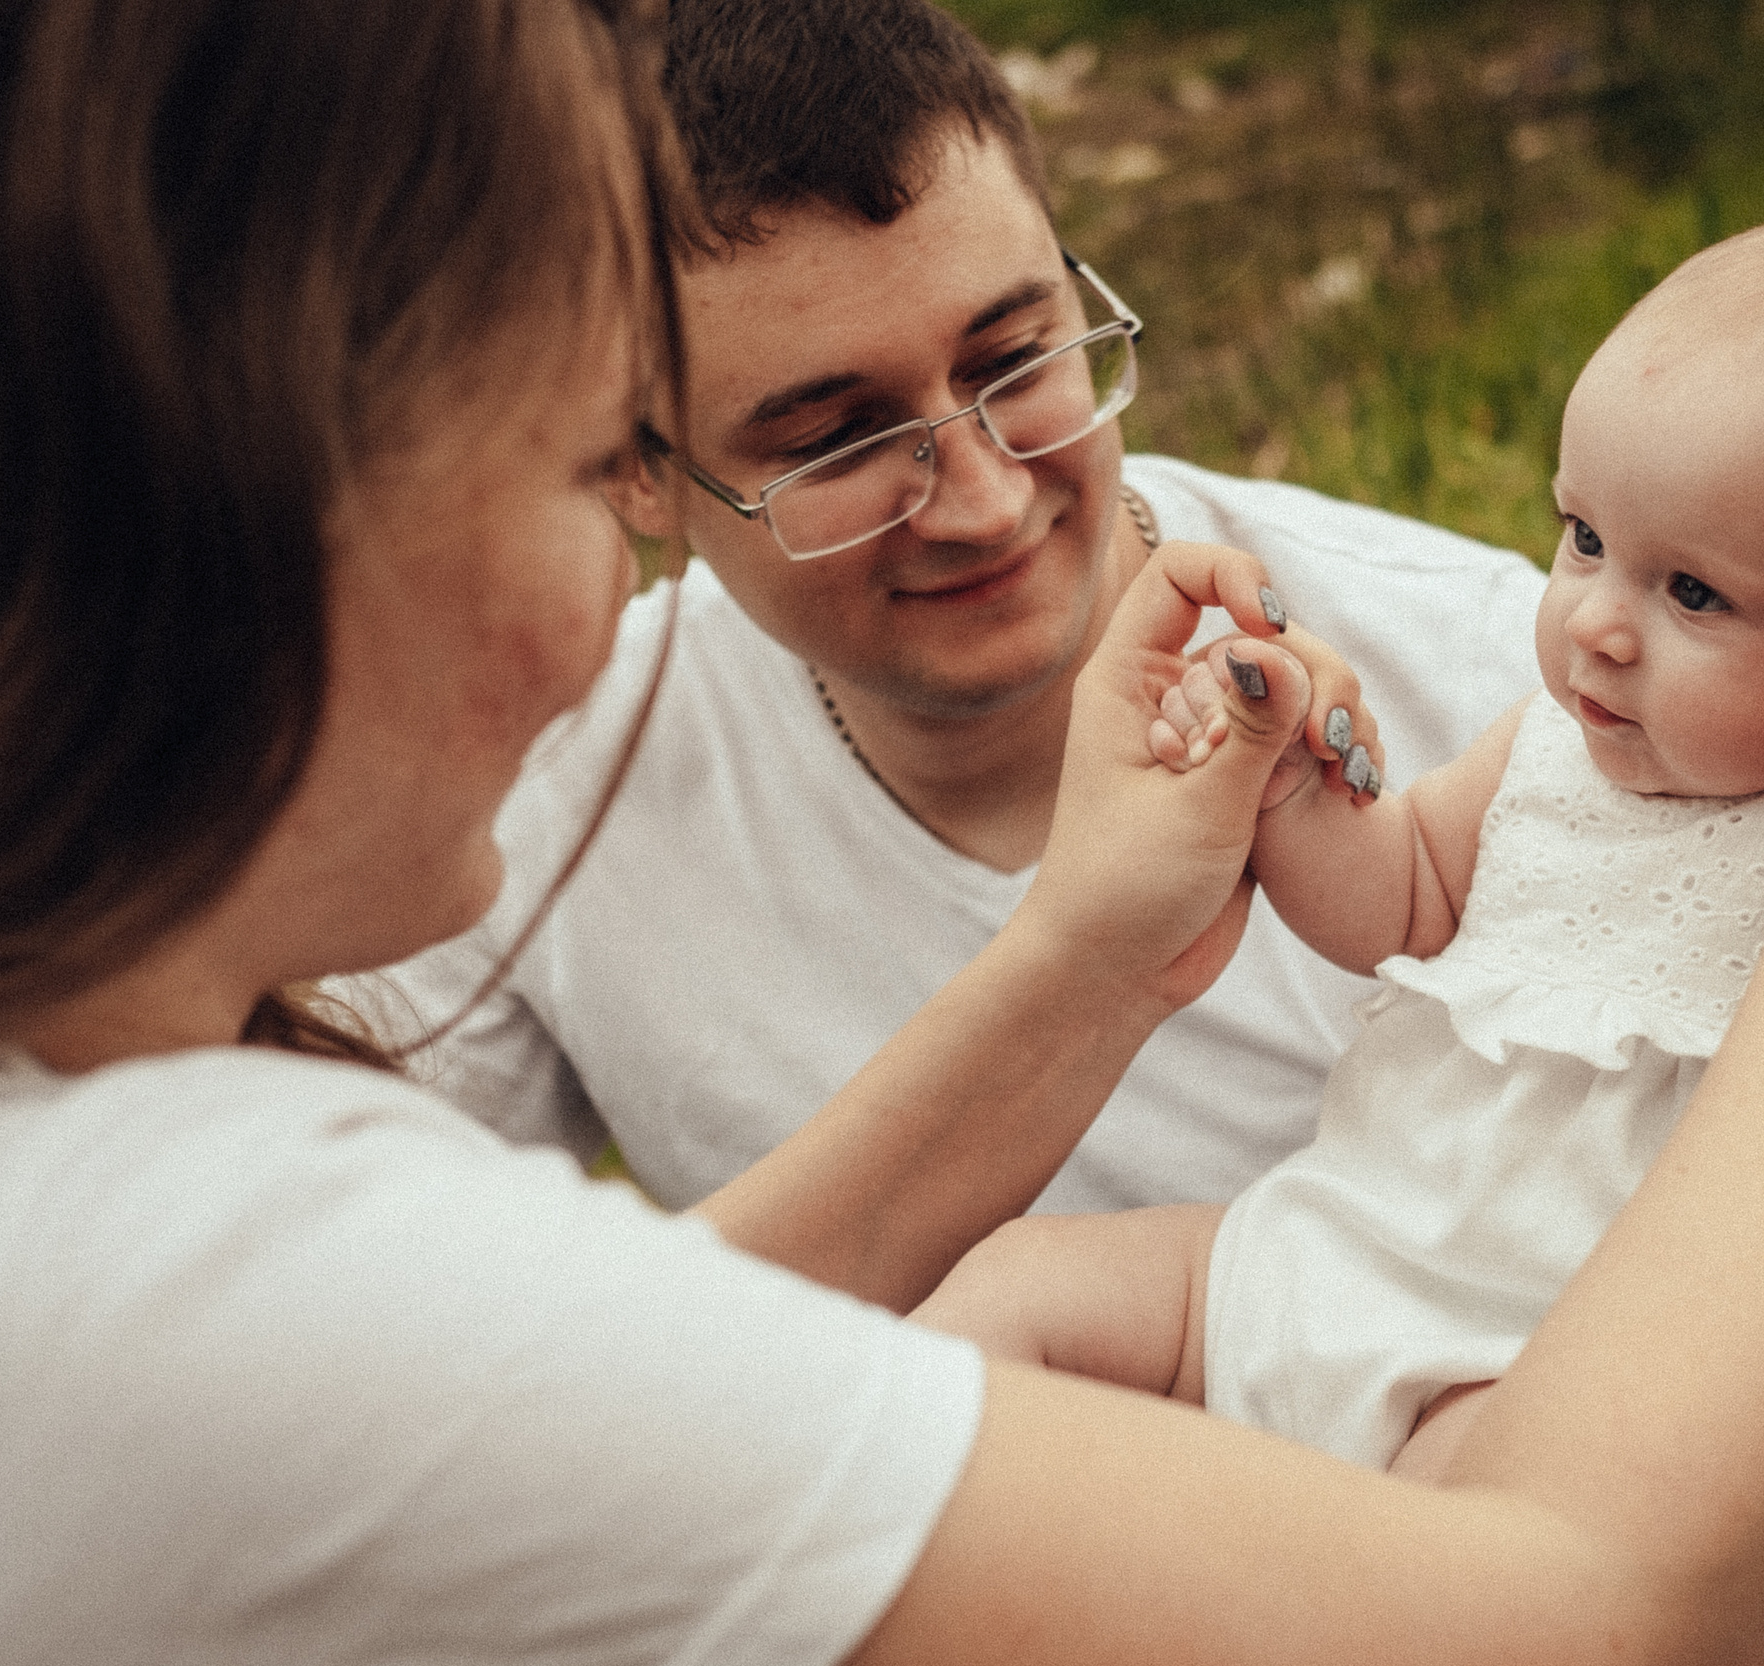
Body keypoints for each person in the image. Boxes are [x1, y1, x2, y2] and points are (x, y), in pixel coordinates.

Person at [0, 3, 1764, 1666]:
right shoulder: (143, 1281)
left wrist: (1097, 944)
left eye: (1018, 356)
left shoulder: (47, 1192)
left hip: (1426, 1428)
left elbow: (532, 1374)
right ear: (229, 508)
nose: (602, 606)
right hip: (1418, 1533)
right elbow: (1562, 1632)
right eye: (581, 460)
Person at [916, 200, 1764, 1474]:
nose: (1595, 624)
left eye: (1693, 591)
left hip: (1552, 1377)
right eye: (1584, 539)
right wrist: (1292, 790)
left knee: (1431, 1551)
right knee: (1018, 1289)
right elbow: (1400, 900)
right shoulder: (1547, 753)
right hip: (1335, 1253)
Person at [352, 0, 1547, 1217]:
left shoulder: (1510, 677)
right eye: (833, 439)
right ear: (637, 470)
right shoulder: (538, 798)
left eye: (1014, 360)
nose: (980, 504)